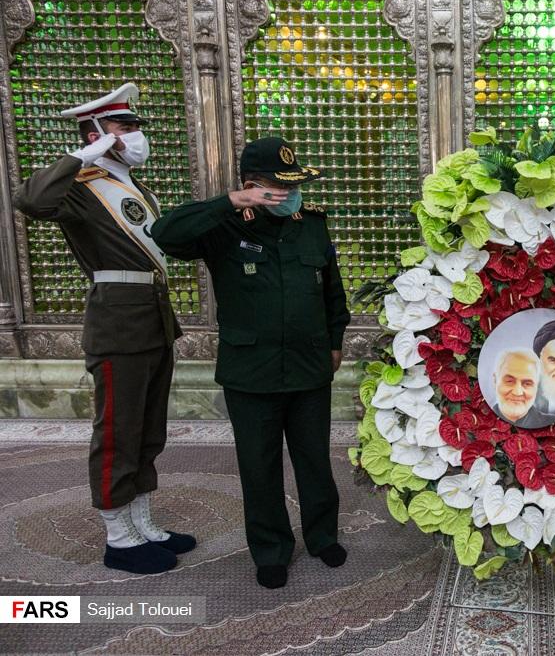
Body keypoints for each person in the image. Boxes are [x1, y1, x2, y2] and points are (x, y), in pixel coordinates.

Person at [150, 137, 350, 589]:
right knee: (259, 467)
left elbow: (332, 292)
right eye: (279, 187)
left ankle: (322, 537)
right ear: (252, 186)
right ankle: (271, 549)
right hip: (251, 372)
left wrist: (335, 341)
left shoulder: (311, 225)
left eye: (293, 185)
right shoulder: (222, 227)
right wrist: (230, 202)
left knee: (315, 462)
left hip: (309, 366)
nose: (290, 194)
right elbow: (164, 233)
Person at [13, 83, 196, 575]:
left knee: (148, 430)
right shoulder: (80, 186)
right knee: (117, 431)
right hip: (118, 325)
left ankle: (142, 522)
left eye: (136, 125)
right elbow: (30, 200)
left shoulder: (134, 186)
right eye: (124, 126)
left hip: (153, 320)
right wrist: (81, 157)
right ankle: (118, 536)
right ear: (97, 134)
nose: (135, 134)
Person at [491, 349, 546, 428]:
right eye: (509, 381)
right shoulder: (478, 419)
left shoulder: (554, 426)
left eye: (527, 384)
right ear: (495, 381)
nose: (517, 392)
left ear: (537, 386)